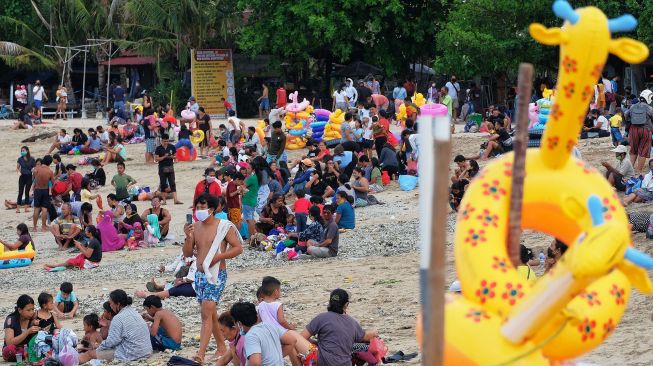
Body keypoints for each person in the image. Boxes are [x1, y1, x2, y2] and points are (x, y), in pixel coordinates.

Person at [182, 194, 244, 363]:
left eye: (203, 207)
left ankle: (200, 353)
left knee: (205, 312)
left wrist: (219, 257)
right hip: (200, 275)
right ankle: (221, 347)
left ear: (212, 208)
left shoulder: (223, 226)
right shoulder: (195, 227)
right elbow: (187, 254)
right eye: (198, 207)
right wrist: (188, 237)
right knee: (210, 312)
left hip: (217, 273)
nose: (200, 210)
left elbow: (238, 248)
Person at [301, 289, 378, 366]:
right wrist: (374, 332)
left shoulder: (322, 318)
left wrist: (316, 343)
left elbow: (302, 337)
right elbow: (366, 337)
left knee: (293, 338)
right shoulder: (352, 323)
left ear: (330, 302)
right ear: (346, 304)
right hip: (346, 363)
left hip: (324, 361)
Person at [78, 290, 153, 364]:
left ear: (118, 304)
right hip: (146, 350)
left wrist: (98, 349)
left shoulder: (118, 318)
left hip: (132, 354)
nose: (110, 305)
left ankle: (71, 362)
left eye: (111, 303)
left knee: (89, 354)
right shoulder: (134, 312)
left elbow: (111, 342)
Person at [230, 302, 299, 366]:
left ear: (239, 323)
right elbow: (292, 341)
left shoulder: (250, 336)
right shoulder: (269, 325)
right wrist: (276, 358)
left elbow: (255, 363)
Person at [3, 295, 38, 362]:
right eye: (28, 310)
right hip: (15, 349)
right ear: (19, 310)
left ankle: (27, 355)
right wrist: (27, 332)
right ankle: (26, 356)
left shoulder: (33, 318)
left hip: (28, 348)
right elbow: (9, 342)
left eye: (32, 309)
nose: (31, 312)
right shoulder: (11, 320)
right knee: (9, 350)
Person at [625, 97, 653, 174]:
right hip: (646, 130)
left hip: (633, 130)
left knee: (633, 150)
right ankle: (639, 171)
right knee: (643, 150)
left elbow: (626, 115)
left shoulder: (633, 106)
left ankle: (629, 170)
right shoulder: (649, 108)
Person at [155, 134, 183, 205]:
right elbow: (156, 159)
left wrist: (172, 157)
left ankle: (175, 200)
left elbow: (175, 156)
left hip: (170, 167)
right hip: (162, 168)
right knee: (163, 184)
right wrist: (164, 157)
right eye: (164, 141)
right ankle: (164, 201)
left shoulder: (172, 147)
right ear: (161, 141)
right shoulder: (158, 148)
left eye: (167, 141)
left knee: (172, 183)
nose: (166, 142)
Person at [16, 146, 35, 213]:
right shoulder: (20, 159)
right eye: (21, 151)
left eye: (23, 150)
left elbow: (34, 168)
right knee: (20, 192)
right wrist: (18, 172)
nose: (22, 152)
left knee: (27, 192)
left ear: (27, 151)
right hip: (22, 177)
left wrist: (33, 170)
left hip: (29, 177)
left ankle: (26, 208)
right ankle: (17, 208)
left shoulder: (32, 159)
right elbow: (17, 168)